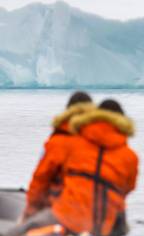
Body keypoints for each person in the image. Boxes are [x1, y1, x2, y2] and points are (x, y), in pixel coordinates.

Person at [3, 99, 138, 236]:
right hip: (105, 224)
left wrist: (30, 212)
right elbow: (128, 188)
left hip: (69, 217)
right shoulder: (130, 156)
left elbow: (42, 179)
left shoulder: (75, 145)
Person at [23, 91, 94, 220]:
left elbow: (41, 178)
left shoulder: (57, 141)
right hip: (97, 214)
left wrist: (29, 212)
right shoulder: (102, 142)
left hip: (63, 211)